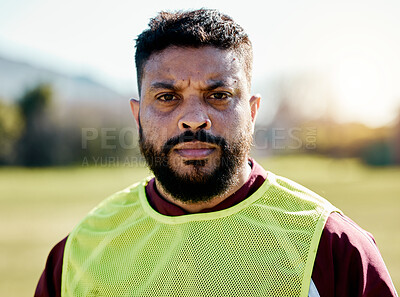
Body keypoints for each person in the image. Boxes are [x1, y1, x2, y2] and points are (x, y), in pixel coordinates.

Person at [35, 9, 397, 297]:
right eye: (167, 97)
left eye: (218, 95)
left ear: (253, 113)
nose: (193, 120)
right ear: (138, 115)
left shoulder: (332, 246)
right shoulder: (80, 250)